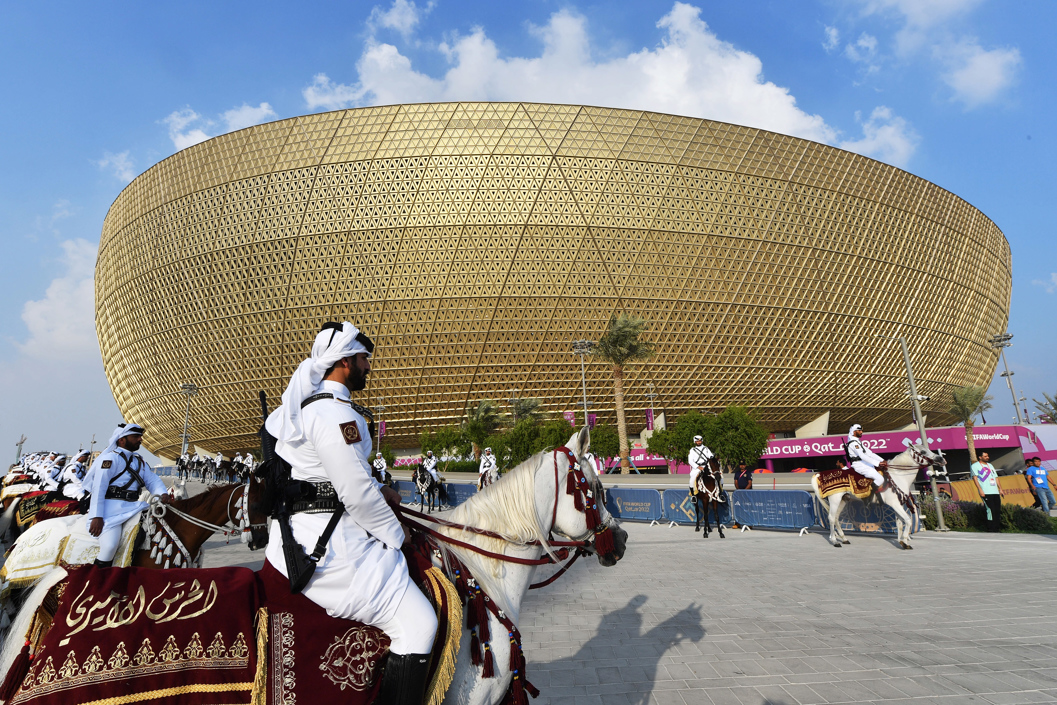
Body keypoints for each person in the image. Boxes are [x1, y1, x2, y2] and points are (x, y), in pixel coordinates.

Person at [263, 321, 436, 705]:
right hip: (327, 549)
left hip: (324, 530)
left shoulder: (323, 410)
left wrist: (383, 489)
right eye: (363, 359)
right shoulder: (333, 415)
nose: (367, 367)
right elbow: (355, 494)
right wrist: (397, 535)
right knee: (421, 624)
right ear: (344, 361)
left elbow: (345, 479)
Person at [85, 423, 171, 567]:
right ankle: (97, 581)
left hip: (134, 507)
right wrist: (96, 516)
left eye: (140, 436)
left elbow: (152, 480)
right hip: (109, 512)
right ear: (121, 440)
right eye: (135, 436)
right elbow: (99, 487)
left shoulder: (139, 461)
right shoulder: (110, 459)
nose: (140, 440)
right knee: (110, 546)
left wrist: (162, 493)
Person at [845, 424, 886, 489]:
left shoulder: (858, 442)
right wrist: (878, 463)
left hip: (865, 464)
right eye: (859, 430)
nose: (861, 432)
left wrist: (882, 460)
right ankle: (870, 496)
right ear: (854, 432)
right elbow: (862, 456)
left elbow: (870, 453)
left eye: (861, 430)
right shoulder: (854, 443)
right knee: (880, 479)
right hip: (860, 465)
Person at [971, 451, 1004, 532]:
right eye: (985, 456)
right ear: (980, 457)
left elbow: (996, 477)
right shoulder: (975, 466)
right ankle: (991, 528)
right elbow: (975, 478)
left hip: (995, 491)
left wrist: (1000, 488)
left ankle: (997, 527)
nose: (987, 457)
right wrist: (980, 490)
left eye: (987, 456)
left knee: (997, 509)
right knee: (990, 509)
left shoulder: (990, 465)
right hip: (985, 491)